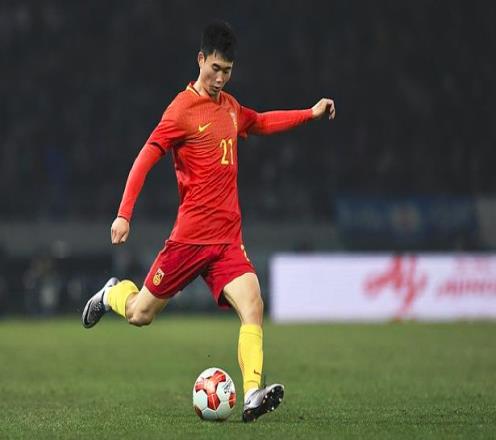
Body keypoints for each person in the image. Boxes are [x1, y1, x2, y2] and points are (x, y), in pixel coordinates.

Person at [82, 21, 335, 422]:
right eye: (215, 68)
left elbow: (262, 121)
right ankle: (113, 293)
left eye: (227, 71)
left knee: (253, 304)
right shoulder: (181, 110)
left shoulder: (231, 107)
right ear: (200, 60)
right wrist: (123, 214)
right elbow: (144, 159)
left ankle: (252, 394)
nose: (220, 78)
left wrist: (310, 113)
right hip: (189, 240)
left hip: (227, 241)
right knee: (139, 314)